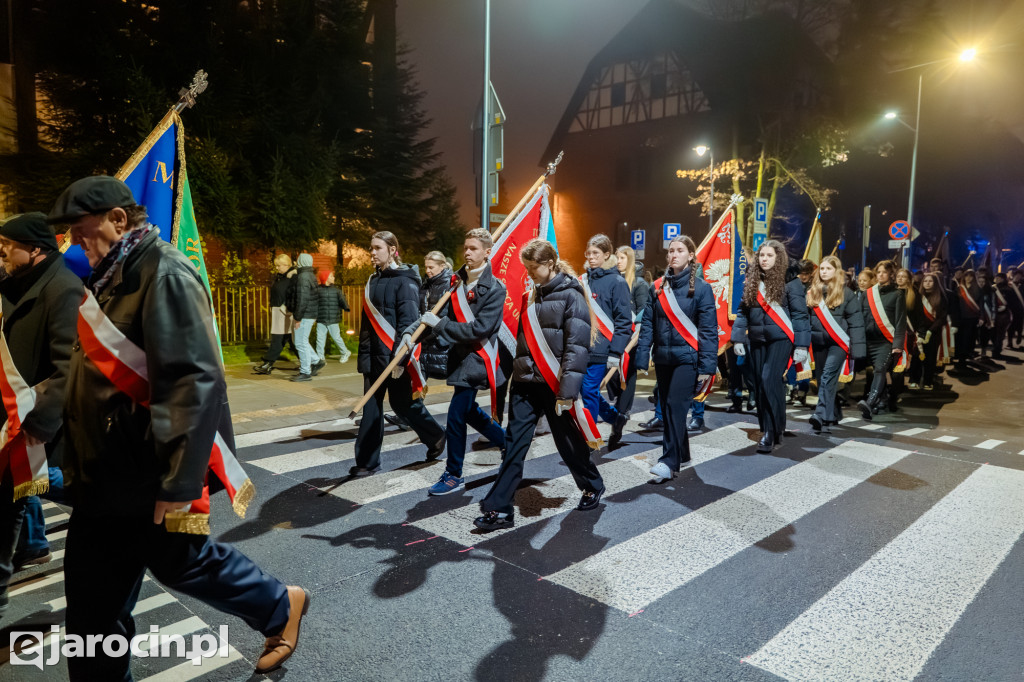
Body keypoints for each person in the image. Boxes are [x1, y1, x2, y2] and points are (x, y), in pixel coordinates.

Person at [50, 176, 307, 677]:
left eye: (82, 232)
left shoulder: (163, 272)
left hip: (145, 471)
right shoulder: (110, 278)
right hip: (104, 472)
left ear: (119, 220)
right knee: (91, 609)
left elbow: (192, 380)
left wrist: (180, 481)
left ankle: (281, 605)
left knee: (183, 563)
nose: (75, 245)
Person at [474, 239, 605, 531]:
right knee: (514, 446)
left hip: (554, 383)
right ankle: (501, 509)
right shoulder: (529, 296)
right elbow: (521, 342)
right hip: (524, 383)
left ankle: (592, 484)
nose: (529, 273)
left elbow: (577, 348)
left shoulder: (572, 296)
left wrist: (567, 393)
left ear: (549, 264)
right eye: (527, 268)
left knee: (567, 442)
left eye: (533, 268)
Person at [0, 213, 82, 614]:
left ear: (34, 250)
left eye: (7, 246)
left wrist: (38, 424)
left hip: (27, 430)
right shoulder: (13, 283)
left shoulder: (63, 289)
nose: (1, 252)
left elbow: (67, 366)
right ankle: (33, 543)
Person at [413, 230, 507, 495]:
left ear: (487, 251)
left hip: (477, 359)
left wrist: (442, 325)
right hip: (458, 358)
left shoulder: (496, 289)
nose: (467, 253)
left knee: (455, 415)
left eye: (474, 248)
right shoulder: (456, 282)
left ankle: (454, 474)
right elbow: (435, 313)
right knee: (468, 412)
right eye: (466, 248)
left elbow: (480, 329)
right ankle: (507, 442)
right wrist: (412, 335)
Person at [352, 231, 446, 475]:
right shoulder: (372, 280)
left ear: (393, 249)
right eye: (370, 248)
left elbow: (409, 324)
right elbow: (366, 326)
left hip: (396, 358)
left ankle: (436, 436)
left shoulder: (406, 281)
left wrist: (401, 360)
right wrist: (364, 357)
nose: (372, 253)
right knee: (371, 408)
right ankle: (367, 462)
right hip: (374, 356)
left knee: (403, 404)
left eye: (377, 248)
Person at [636, 235, 717, 482]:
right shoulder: (658, 286)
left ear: (690, 256)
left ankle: (668, 461)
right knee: (673, 407)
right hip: (663, 357)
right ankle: (682, 452)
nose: (674, 254)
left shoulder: (702, 289)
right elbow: (648, 322)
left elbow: (708, 330)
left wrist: (707, 366)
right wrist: (642, 355)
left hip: (687, 358)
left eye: (680, 250)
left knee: (674, 406)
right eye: (671, 250)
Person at [731, 239, 810, 453]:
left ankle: (772, 431)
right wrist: (738, 338)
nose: (765, 259)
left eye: (769, 256)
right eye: (762, 255)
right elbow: (742, 312)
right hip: (757, 339)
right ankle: (769, 427)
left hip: (781, 339)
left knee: (769, 378)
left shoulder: (791, 283)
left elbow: (801, 316)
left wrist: (802, 346)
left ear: (779, 258)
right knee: (759, 384)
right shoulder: (752, 281)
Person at [579, 234, 633, 444]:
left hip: (603, 347)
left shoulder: (617, 282)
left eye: (596, 253)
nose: (591, 257)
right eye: (589, 253)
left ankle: (589, 438)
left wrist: (615, 352)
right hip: (582, 347)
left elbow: (623, 321)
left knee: (589, 390)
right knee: (584, 391)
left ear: (607, 255)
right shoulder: (582, 280)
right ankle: (614, 418)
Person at [806, 255, 865, 434]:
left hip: (838, 344)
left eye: (828, 269)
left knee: (827, 378)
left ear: (836, 271)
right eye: (822, 269)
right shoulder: (811, 292)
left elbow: (856, 322)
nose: (824, 272)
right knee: (825, 379)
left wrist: (858, 348)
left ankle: (820, 413)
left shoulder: (846, 293)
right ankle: (833, 414)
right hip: (818, 343)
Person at [858, 260, 907, 419]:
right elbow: (859, 317)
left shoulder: (898, 294)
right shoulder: (868, 293)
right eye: (878, 272)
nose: (880, 275)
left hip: (886, 341)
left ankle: (870, 402)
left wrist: (898, 344)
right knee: (875, 372)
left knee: (880, 369)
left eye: (884, 272)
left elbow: (900, 321)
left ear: (891, 275)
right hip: (869, 340)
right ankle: (883, 399)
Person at [607, 245, 649, 420]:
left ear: (630, 260)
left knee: (627, 371)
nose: (618, 261)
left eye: (622, 258)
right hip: (613, 333)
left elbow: (643, 309)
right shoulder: (612, 280)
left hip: (631, 335)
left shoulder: (639, 284)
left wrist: (637, 333)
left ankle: (623, 410)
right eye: (617, 257)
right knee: (610, 371)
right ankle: (618, 398)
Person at [254, 253, 296, 374]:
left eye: (279, 266)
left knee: (279, 339)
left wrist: (286, 307)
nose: (277, 268)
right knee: (288, 340)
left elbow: (293, 294)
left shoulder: (292, 277)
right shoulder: (281, 277)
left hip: (285, 312)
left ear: (286, 264)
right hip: (280, 312)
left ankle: (267, 364)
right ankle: (312, 362)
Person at [910, 273, 949, 390]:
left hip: (934, 332)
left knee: (930, 358)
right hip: (919, 331)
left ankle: (928, 381)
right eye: (925, 281)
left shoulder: (941, 297)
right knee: (917, 356)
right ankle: (914, 380)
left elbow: (942, 318)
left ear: (935, 283)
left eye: (930, 281)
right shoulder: (918, 296)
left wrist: (931, 331)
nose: (927, 283)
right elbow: (914, 315)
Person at [287, 252, 322, 381]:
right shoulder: (310, 275)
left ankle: (305, 372)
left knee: (300, 343)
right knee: (301, 341)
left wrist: (298, 317)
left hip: (305, 314)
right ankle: (316, 361)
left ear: (300, 262)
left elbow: (302, 298)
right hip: (310, 313)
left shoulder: (302, 277)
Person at [313, 269, 351, 364]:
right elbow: (313, 303)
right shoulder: (317, 290)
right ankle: (320, 358)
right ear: (325, 278)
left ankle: (345, 352)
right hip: (321, 319)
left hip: (333, 319)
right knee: (320, 339)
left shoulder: (336, 290)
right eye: (331, 276)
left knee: (336, 338)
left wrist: (346, 307)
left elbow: (342, 300)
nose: (333, 277)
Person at [952, 269, 983, 371]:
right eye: (966, 276)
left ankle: (963, 360)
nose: (968, 278)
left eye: (971, 276)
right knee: (959, 340)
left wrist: (981, 317)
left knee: (968, 340)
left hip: (971, 319)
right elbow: (955, 305)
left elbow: (981, 305)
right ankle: (960, 358)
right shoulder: (959, 289)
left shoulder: (978, 289)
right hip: (960, 318)